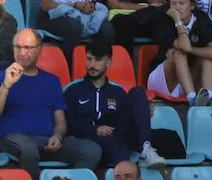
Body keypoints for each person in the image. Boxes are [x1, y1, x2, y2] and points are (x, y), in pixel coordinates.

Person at [0, 29, 102, 177]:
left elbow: (60, 121)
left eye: (27, 48)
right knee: (28, 148)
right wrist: (6, 85)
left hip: (46, 141)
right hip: (13, 139)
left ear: (39, 49)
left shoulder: (52, 81)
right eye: (18, 47)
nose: (22, 52)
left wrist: (57, 136)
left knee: (91, 150)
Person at [64, 37, 162, 169]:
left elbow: (126, 120)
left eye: (98, 60)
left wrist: (143, 108)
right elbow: (68, 124)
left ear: (108, 63)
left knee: (138, 93)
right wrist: (95, 129)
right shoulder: (73, 90)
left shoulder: (117, 91)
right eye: (89, 59)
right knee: (117, 148)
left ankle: (146, 149)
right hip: (90, 138)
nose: (92, 65)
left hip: (117, 134)